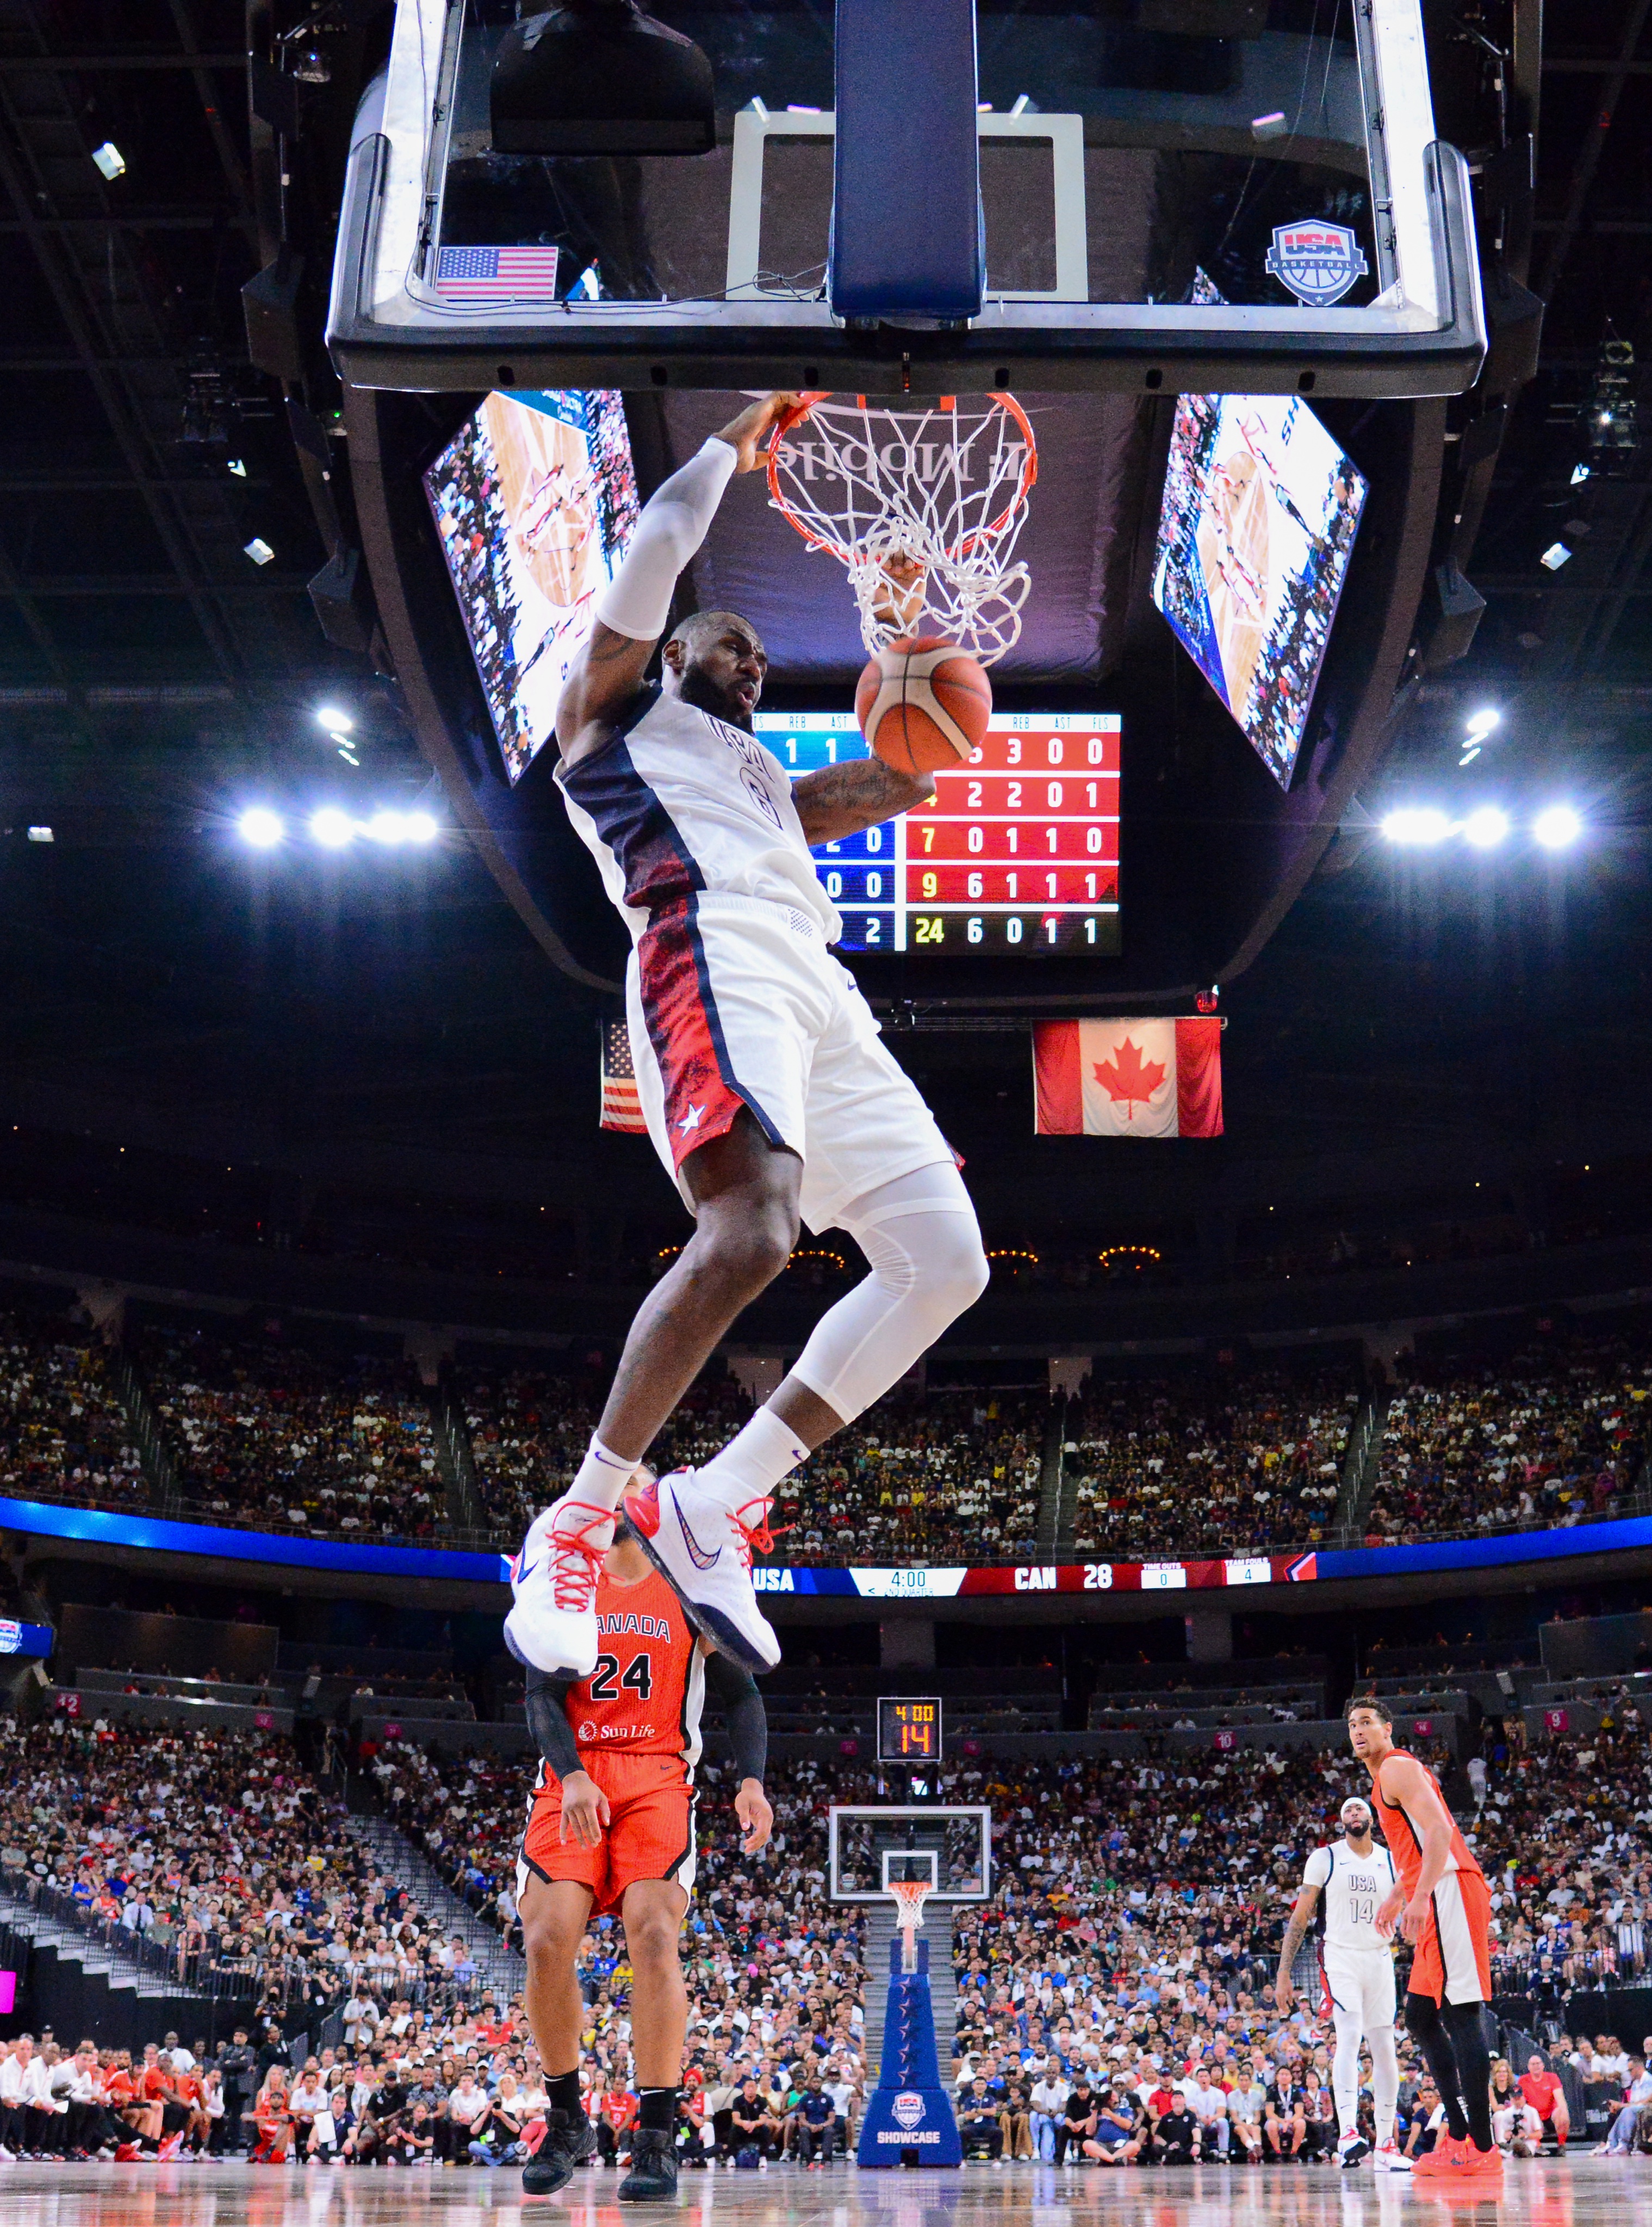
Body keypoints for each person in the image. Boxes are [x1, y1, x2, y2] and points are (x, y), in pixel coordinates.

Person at [505, 391, 989, 1683]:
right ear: (676, 653)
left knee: (948, 1261)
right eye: (732, 645)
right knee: (757, 1231)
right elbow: (662, 543)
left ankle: (711, 1504)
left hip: (816, 986)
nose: (751, 662)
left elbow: (906, 773)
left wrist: (899, 628)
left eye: (763, 663)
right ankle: (580, 1517)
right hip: (701, 947)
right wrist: (731, 443)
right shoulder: (610, 718)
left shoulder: (771, 783)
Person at [516, 1519, 772, 2199]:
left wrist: (751, 1779)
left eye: (640, 1478)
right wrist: (569, 1772)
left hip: (657, 1773)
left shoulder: (690, 1586)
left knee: (655, 1933)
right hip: (573, 1775)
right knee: (545, 1940)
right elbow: (539, 1693)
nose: (625, 1490)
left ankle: (655, 2135)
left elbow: (742, 1693)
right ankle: (567, 2118)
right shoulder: (566, 1578)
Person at [1350, 1699, 1500, 2181]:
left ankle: (1482, 2146)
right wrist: (1399, 1895)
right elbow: (1418, 1846)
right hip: (1434, 1891)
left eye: (1367, 1722)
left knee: (1460, 2014)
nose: (1358, 1730)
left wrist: (1419, 1897)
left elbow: (1439, 1830)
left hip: (1449, 1888)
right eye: (1351, 1724)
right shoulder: (1382, 1781)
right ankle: (1457, 2135)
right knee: (1419, 2017)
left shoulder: (1395, 1767)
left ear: (1387, 1729)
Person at [1277, 1792, 1403, 2170]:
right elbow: (1300, 1917)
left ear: (1371, 1819)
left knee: (1384, 2047)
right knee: (1348, 2035)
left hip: (1380, 1957)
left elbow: (1412, 1897)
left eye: (1360, 1808)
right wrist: (1284, 1972)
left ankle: (1385, 2145)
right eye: (1348, 1809)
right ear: (1341, 1821)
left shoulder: (1390, 1860)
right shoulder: (1326, 1857)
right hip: (1339, 1955)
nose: (1354, 1812)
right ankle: (1348, 2131)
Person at [1517, 2051, 1569, 2151]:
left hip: (1550, 2115)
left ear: (1543, 2066)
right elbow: (1521, 2103)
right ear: (1529, 2067)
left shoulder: (1552, 2077)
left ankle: (1562, 2145)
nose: (1536, 2066)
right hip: (1535, 2116)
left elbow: (1560, 2098)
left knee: (1563, 2113)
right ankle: (1538, 2145)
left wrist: (1563, 2112)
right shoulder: (1523, 2080)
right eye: (1533, 2064)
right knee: (1526, 2115)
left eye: (1538, 2064)